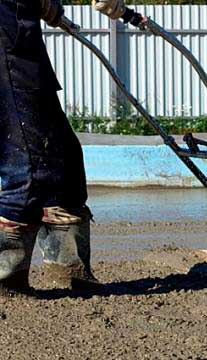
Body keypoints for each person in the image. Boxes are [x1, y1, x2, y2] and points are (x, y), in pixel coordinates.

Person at [0, 0, 124, 297]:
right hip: (7, 33)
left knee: (64, 161)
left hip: (17, 29)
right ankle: (6, 280)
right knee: (28, 165)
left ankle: (70, 271)